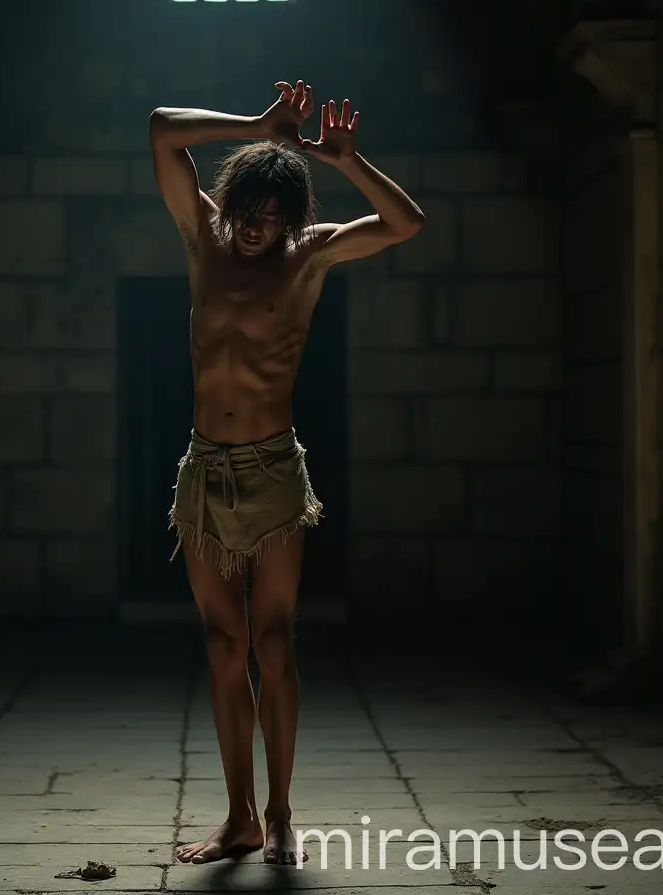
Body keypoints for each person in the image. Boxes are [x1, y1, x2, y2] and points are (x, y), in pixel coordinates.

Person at [148, 80, 424, 865]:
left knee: (274, 644)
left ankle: (279, 817)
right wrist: (260, 125)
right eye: (247, 214)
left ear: (290, 221)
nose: (255, 231)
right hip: (204, 470)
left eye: (272, 219)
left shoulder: (307, 256)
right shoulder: (201, 233)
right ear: (228, 203)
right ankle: (236, 817)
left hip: (272, 470)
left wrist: (348, 159)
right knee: (220, 644)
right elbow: (162, 129)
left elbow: (405, 223)